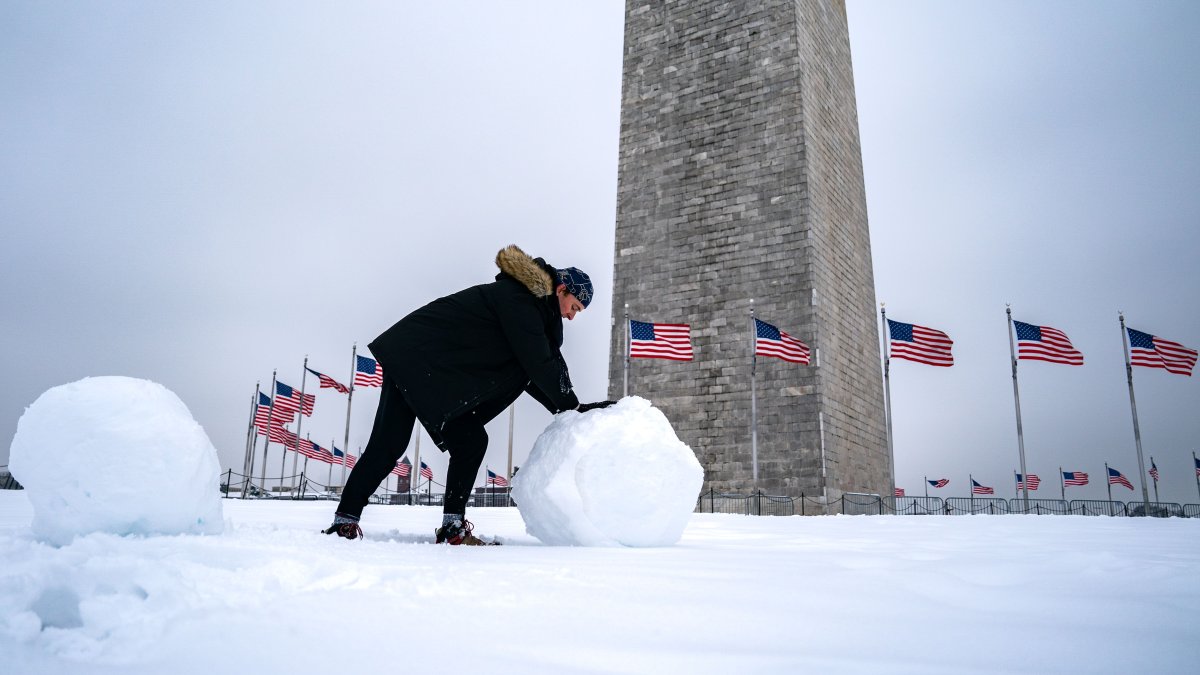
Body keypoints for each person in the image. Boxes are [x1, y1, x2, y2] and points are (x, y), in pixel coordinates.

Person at [324, 244, 614, 545]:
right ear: (562, 289)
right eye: (574, 308)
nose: (571, 316)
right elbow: (539, 363)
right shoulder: (520, 300)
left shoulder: (535, 311)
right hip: (414, 357)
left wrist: (566, 408)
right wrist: (570, 405)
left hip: (438, 374)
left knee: (471, 441)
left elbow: (531, 372)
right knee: (389, 443)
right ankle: (345, 519)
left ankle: (452, 527)